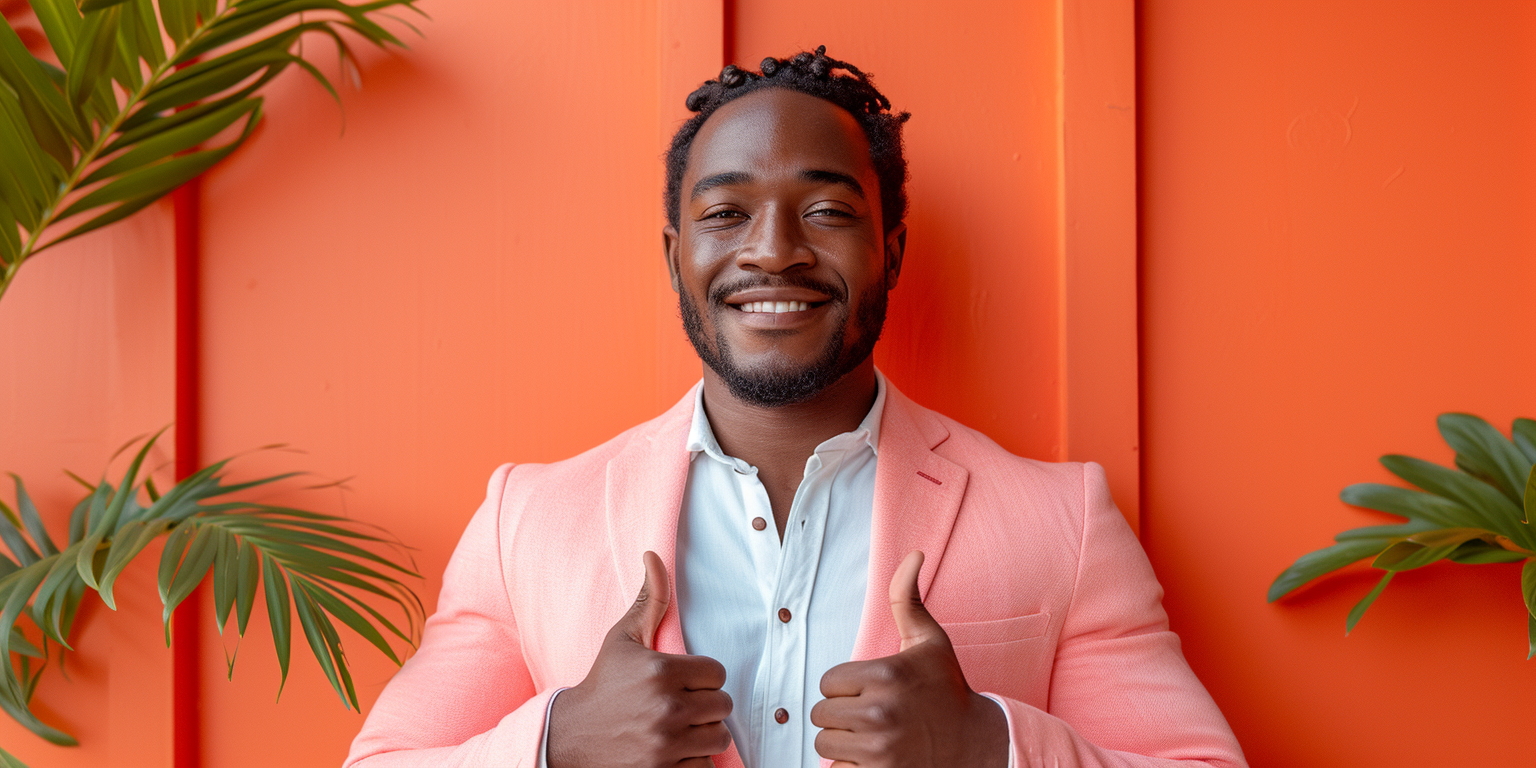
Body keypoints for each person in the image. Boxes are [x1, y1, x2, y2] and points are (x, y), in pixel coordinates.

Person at [345, 47, 1246, 768]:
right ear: (675, 256)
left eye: (823, 210)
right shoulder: (526, 521)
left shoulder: (1061, 519)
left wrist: (993, 748)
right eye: (726, 213)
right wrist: (557, 747)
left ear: (890, 248)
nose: (773, 253)